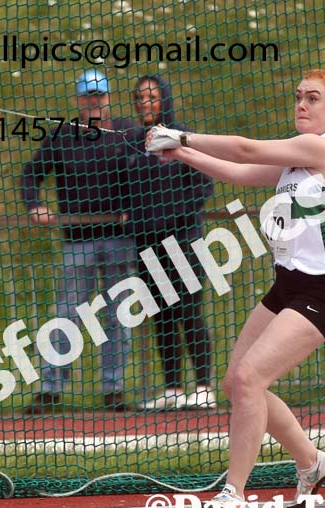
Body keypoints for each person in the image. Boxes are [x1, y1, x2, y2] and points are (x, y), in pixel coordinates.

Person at [145, 64, 325, 508]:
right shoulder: (299, 158)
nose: (301, 104)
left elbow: (244, 147)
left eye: (312, 98)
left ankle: (234, 493)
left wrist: (181, 136)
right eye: (298, 96)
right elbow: (239, 170)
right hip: (287, 287)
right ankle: (312, 461)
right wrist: (181, 154)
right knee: (236, 383)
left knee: (249, 378)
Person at [20, 69, 136, 412]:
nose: (93, 103)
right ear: (78, 100)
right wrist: (35, 205)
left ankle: (113, 390)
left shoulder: (127, 132)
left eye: (99, 97)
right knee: (66, 316)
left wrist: (137, 209)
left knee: (117, 317)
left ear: (108, 99)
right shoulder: (62, 135)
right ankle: (50, 389)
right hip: (76, 242)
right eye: (87, 97)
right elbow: (31, 174)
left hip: (120, 240)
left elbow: (147, 172)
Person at [128, 75, 216, 410]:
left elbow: (203, 187)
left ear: (164, 98)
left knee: (189, 311)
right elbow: (126, 189)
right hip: (146, 243)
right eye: (139, 98)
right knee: (161, 314)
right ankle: (173, 388)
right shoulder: (134, 142)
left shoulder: (180, 138)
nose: (145, 103)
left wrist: (175, 220)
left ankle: (204, 387)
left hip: (183, 240)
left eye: (151, 97)